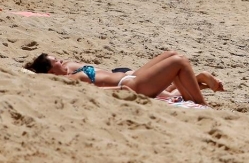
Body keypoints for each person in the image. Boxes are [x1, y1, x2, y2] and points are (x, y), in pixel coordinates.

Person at [23, 51, 223, 106]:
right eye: (55, 61)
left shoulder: (69, 69)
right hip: (131, 84)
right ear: (50, 73)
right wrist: (118, 91)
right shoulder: (69, 81)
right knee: (179, 62)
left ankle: (197, 82)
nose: (60, 60)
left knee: (171, 54)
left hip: (131, 75)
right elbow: (91, 92)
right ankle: (201, 103)